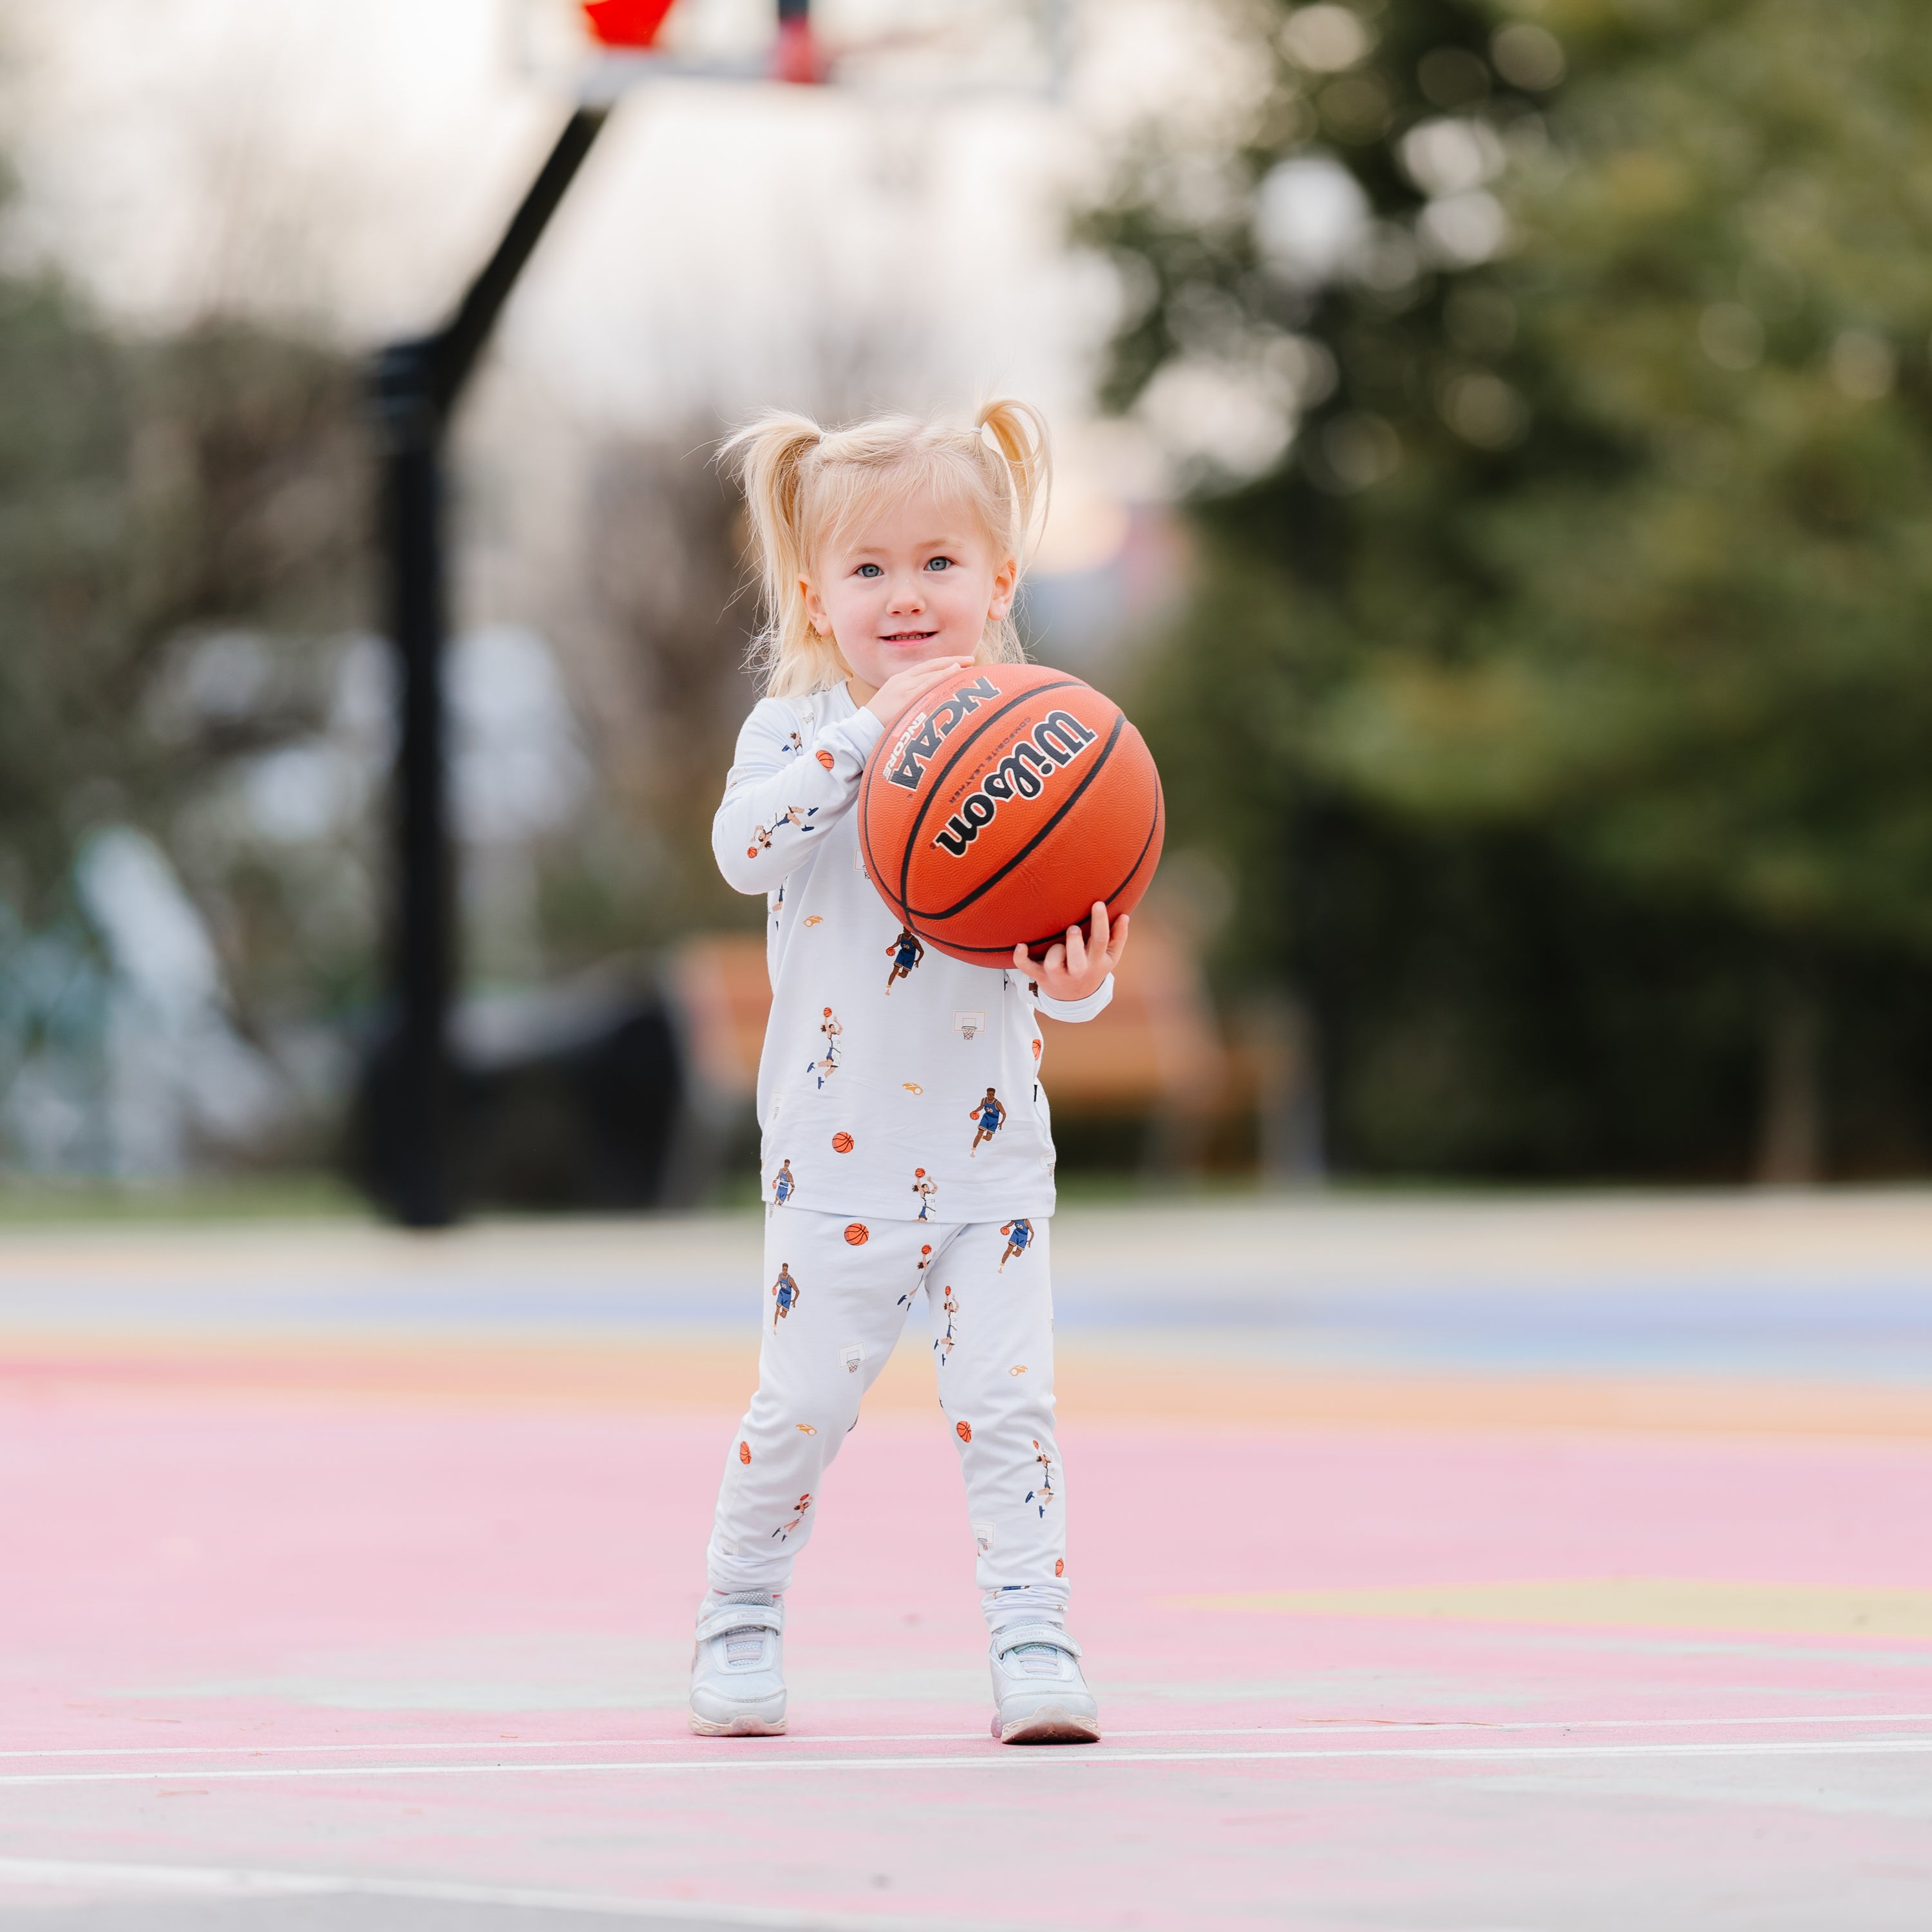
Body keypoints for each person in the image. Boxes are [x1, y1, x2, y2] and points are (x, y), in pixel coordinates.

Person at [690, 401, 1129, 1747]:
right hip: (837, 1160)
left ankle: (1033, 1637)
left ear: (1000, 582)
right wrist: (870, 733)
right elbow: (742, 852)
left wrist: (1081, 980)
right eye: (870, 569)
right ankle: (740, 1612)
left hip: (994, 1165)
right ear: (815, 595)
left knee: (1009, 1407)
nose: (906, 593)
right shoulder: (799, 735)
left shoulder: (1038, 737)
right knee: (807, 1403)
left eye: (940, 562)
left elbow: (1063, 938)